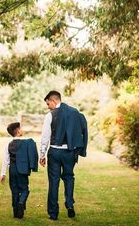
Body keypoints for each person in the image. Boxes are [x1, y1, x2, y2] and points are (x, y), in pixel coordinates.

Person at [40, 91, 88, 221]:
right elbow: (83, 128)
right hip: (69, 152)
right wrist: (79, 148)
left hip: (55, 152)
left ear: (53, 100)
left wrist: (42, 154)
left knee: (54, 182)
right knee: (69, 177)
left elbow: (45, 137)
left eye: (48, 103)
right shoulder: (75, 113)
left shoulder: (50, 115)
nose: (48, 106)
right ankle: (70, 204)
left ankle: (53, 213)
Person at [1, 122, 38, 219]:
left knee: (14, 191)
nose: (22, 130)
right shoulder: (25, 143)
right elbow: (31, 154)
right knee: (25, 189)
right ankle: (21, 202)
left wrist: (3, 174)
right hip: (22, 170)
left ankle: (16, 212)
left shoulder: (8, 145)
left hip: (12, 170)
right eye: (20, 128)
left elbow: (5, 160)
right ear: (17, 131)